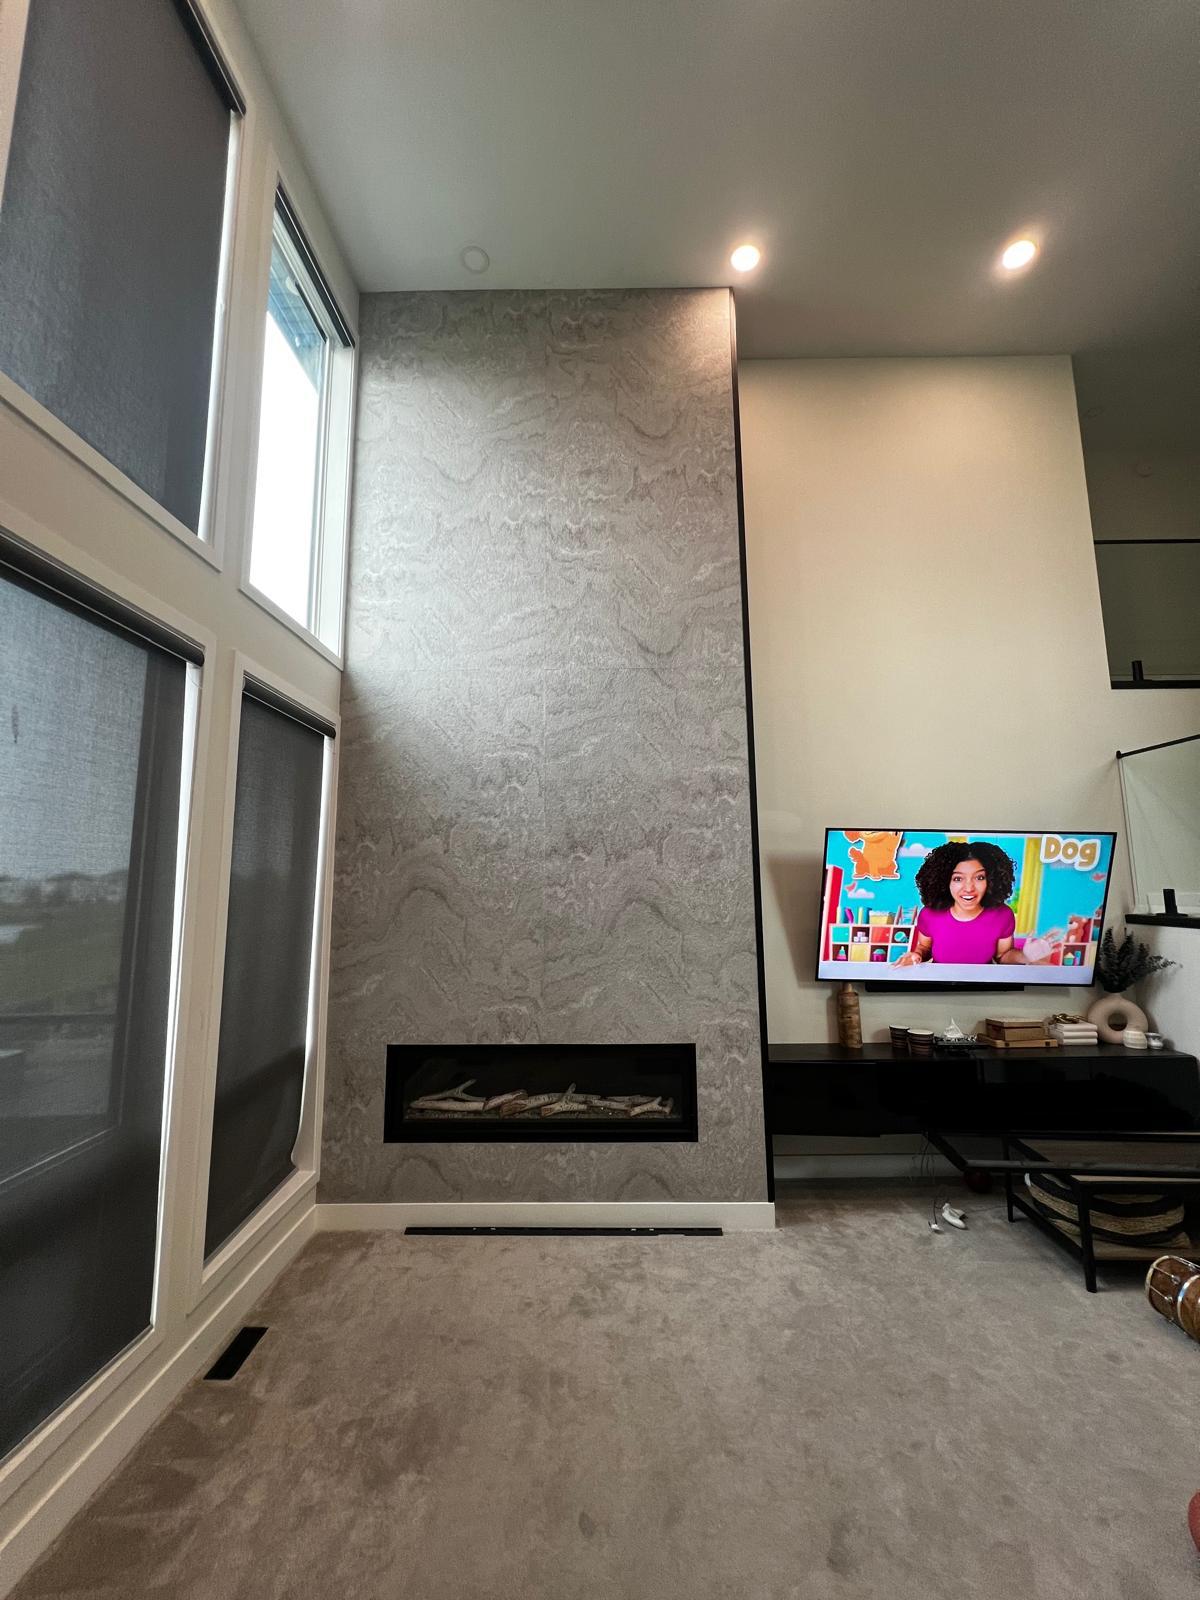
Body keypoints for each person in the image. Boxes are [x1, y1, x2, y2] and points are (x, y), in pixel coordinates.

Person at [897, 840, 1046, 966]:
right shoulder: (929, 914)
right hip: (940, 986)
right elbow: (925, 948)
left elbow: (1002, 956)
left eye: (979, 877)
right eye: (958, 879)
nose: (969, 888)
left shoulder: (1003, 915)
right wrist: (917, 955)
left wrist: (1024, 956)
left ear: (991, 880)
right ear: (944, 882)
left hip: (983, 987)